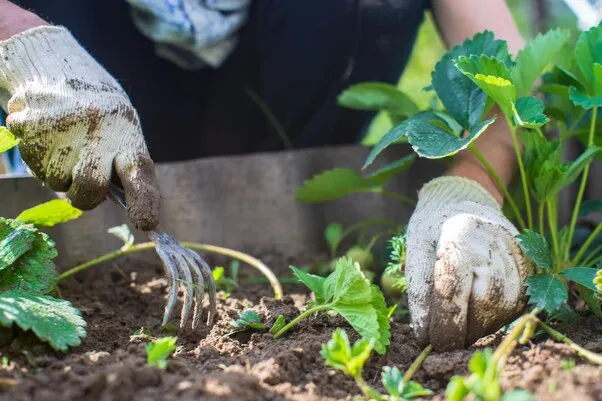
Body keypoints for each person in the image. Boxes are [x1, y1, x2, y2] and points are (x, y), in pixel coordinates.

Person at [0, 0, 529, 351]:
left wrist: (468, 189)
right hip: (84, 111)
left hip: (291, 161)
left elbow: (506, 67)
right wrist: (23, 44)